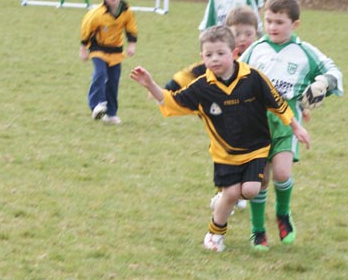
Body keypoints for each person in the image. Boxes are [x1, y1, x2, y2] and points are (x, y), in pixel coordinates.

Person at [130, 25, 310, 252]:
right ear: (202, 58)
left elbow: (277, 103)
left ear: (234, 53)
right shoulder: (201, 88)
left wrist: (296, 127)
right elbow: (172, 102)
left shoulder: (253, 78)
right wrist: (151, 85)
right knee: (233, 193)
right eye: (209, 55)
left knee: (251, 190)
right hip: (224, 154)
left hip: (256, 149)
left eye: (220, 53)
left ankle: (229, 202)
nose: (215, 59)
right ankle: (215, 233)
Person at [239, 0, 343, 251]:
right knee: (260, 179)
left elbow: (334, 72)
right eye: (269, 21)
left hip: (286, 120)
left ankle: (282, 214)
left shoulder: (304, 52)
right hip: (255, 122)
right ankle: (257, 230)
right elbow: (234, 75)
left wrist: (322, 83)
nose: (272, 27)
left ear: (294, 24)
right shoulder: (256, 49)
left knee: (283, 173)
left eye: (279, 22)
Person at [165, 6, 259, 212]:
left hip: (253, 122)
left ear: (257, 34)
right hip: (220, 118)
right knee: (226, 154)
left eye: (248, 33)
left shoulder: (260, 57)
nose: (242, 38)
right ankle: (226, 193)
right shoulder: (219, 58)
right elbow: (192, 72)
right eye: (237, 34)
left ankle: (238, 192)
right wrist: (170, 87)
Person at [80, 0, 137, 125]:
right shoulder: (97, 14)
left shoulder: (126, 12)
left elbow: (131, 28)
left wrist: (132, 45)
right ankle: (96, 105)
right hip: (97, 49)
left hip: (116, 51)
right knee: (100, 74)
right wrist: (83, 48)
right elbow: (86, 28)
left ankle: (111, 113)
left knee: (113, 81)